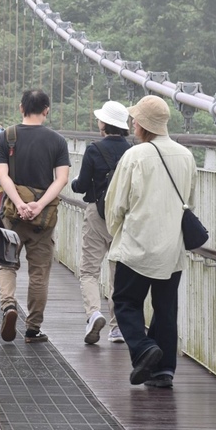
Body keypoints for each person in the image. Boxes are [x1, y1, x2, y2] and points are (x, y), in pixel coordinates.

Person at [105, 95, 198, 388]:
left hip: (137, 245)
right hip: (172, 247)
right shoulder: (186, 156)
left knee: (125, 302)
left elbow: (115, 204)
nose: (132, 124)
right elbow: (190, 202)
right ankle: (163, 370)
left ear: (143, 125)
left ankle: (144, 348)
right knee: (165, 308)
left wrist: (116, 231)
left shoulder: (135, 156)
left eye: (135, 120)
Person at [0, 90, 71, 344]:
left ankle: (8, 306)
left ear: (20, 107)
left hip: (12, 216)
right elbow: (62, 179)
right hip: (43, 221)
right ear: (46, 109)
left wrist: (19, 203)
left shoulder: (6, 137)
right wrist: (38, 205)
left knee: (7, 265)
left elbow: (2, 177)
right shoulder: (58, 141)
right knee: (39, 272)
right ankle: (33, 328)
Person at [70, 100, 132, 345]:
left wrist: (75, 182)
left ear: (104, 123)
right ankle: (117, 328)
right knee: (119, 272)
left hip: (97, 213)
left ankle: (94, 313)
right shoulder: (132, 151)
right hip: (124, 217)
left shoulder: (94, 149)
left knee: (89, 271)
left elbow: (82, 185)